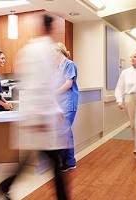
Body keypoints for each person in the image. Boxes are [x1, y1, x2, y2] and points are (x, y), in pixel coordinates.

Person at [0, 15, 70, 200]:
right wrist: (41, 118)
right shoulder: (41, 51)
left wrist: (55, 110)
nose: (58, 32)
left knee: (30, 160)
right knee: (52, 161)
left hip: (36, 115)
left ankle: (4, 188)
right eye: (56, 28)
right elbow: (38, 85)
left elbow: (46, 86)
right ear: (49, 28)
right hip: (38, 118)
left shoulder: (31, 50)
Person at [55, 42, 79, 172]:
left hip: (69, 102)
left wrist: (54, 93)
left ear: (59, 51)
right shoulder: (58, 67)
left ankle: (68, 162)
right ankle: (68, 161)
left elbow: (68, 84)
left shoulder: (70, 64)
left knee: (64, 131)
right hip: (61, 103)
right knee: (65, 131)